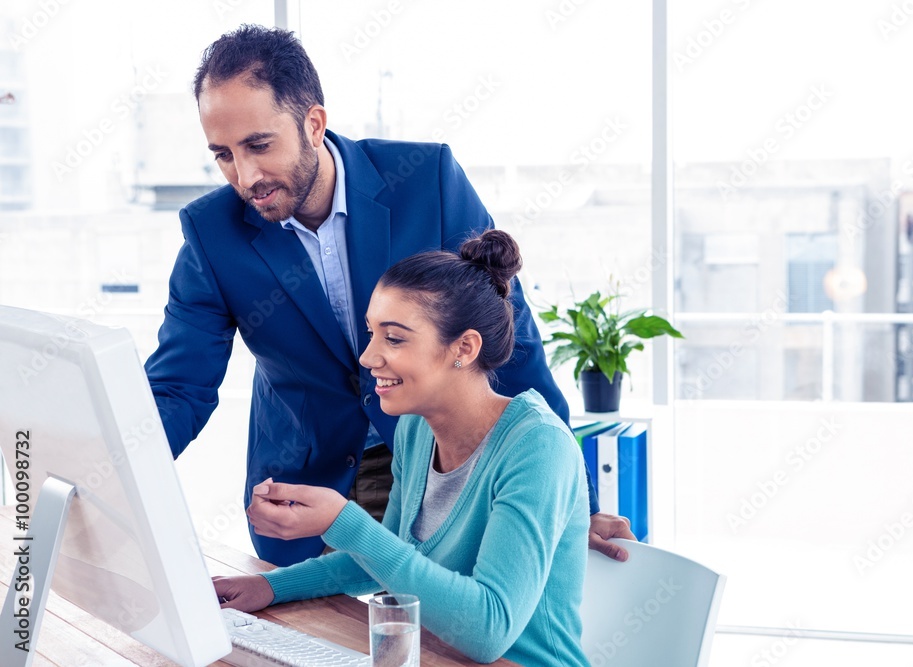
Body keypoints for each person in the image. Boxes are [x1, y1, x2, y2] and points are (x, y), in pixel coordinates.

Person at [144, 23, 633, 567]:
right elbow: (177, 387)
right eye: (224, 155)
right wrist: (105, 474)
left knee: (440, 640)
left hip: (438, 470)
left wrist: (577, 502)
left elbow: (511, 344)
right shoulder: (213, 233)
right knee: (309, 646)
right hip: (308, 487)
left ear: (313, 123)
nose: (246, 174)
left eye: (259, 145)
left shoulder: (428, 182)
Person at [214, 230, 590, 666]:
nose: (368, 357)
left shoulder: (537, 447)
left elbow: (490, 631)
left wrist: (343, 521)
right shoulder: (416, 428)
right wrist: (272, 587)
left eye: (393, 338)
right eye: (371, 333)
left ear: (464, 348)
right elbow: (382, 558)